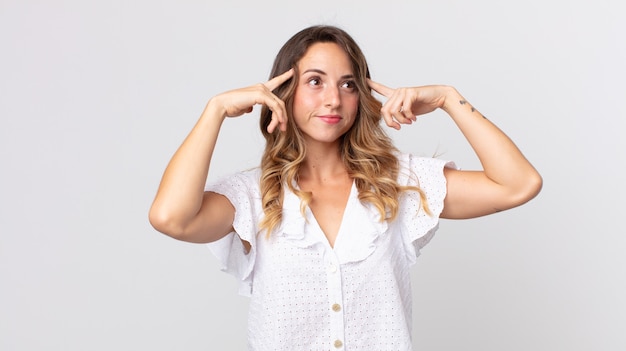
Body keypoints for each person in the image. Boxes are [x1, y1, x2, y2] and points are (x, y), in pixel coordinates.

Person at [149, 25, 542, 350]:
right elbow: (170, 218)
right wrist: (214, 110)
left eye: (348, 84)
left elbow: (518, 184)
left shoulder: (401, 183)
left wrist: (448, 98)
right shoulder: (253, 196)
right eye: (315, 81)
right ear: (284, 93)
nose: (333, 99)